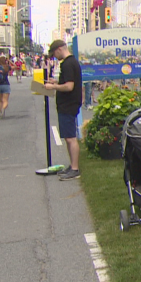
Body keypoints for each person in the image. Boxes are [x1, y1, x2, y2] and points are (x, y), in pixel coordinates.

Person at [44, 40, 83, 181]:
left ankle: (75, 168)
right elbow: (66, 83)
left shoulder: (68, 64)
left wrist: (53, 87)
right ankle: (72, 165)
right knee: (68, 137)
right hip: (68, 104)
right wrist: (56, 83)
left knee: (71, 138)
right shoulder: (70, 63)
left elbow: (69, 86)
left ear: (60, 49)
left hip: (68, 104)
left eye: (54, 53)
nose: (55, 56)